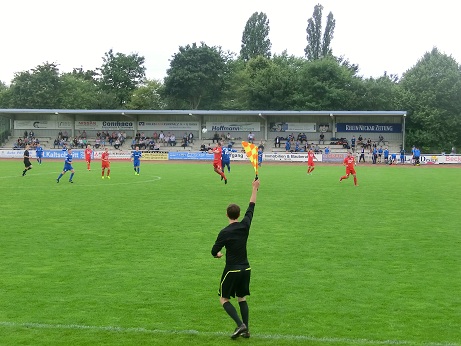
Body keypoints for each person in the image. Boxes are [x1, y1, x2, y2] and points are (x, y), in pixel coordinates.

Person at [211, 178, 260, 339]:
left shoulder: (224, 232)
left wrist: (218, 255)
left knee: (223, 299)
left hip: (232, 269)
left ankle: (240, 325)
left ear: (227, 214)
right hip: (246, 268)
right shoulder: (245, 225)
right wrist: (254, 188)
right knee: (242, 298)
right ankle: (246, 331)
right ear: (239, 215)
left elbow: (214, 251)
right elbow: (251, 207)